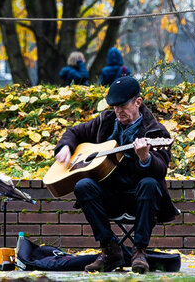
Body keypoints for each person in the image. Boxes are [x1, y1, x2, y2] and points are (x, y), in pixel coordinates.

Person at [54, 76, 177, 273]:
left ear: (138, 102)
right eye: (114, 106)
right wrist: (66, 147)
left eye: (122, 105)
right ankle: (110, 249)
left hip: (140, 198)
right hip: (109, 196)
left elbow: (161, 169)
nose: (118, 111)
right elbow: (73, 132)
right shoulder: (106, 121)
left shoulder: (155, 131)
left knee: (150, 183)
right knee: (82, 186)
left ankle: (139, 251)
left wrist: (145, 158)